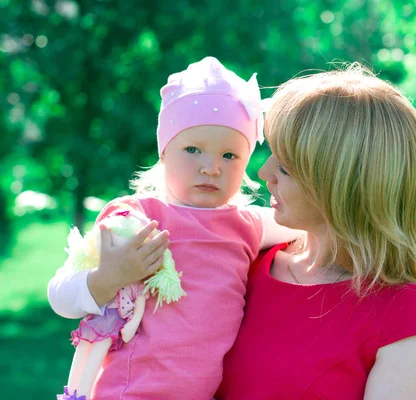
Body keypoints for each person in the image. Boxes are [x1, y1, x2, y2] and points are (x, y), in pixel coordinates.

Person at [48, 56, 301, 400]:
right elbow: (60, 295)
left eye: (229, 156)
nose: (211, 167)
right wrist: (108, 278)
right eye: (193, 149)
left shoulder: (247, 225)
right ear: (164, 151)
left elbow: (308, 225)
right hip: (129, 392)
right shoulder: (135, 221)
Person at [215, 64, 416, 399]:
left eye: (284, 166)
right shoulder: (245, 260)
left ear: (341, 184)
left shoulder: (404, 312)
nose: (264, 172)